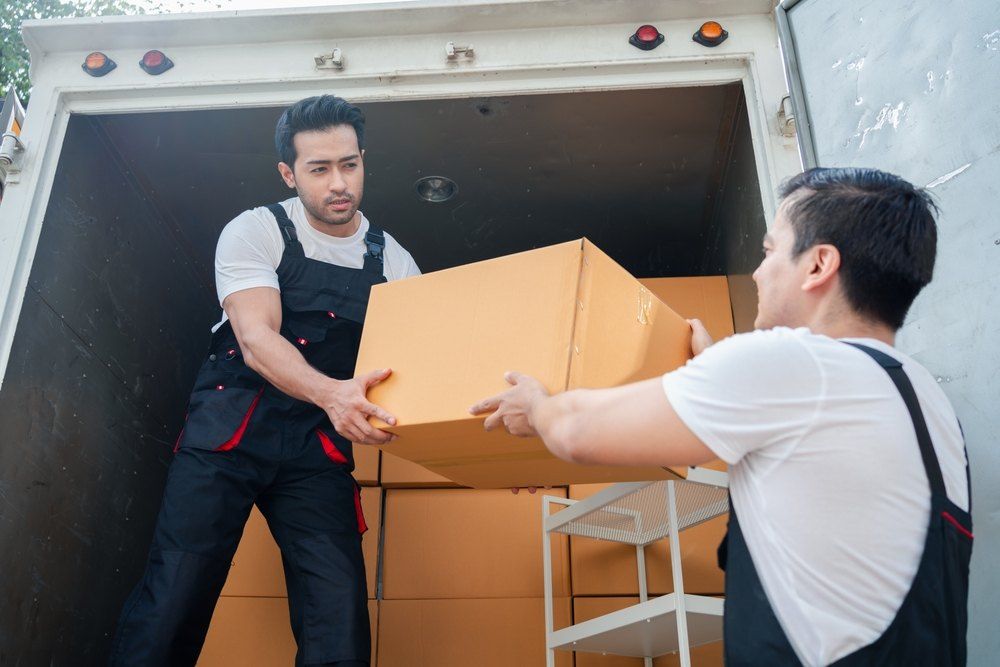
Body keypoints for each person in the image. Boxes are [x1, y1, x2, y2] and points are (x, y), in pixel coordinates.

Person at [471, 168, 972, 666]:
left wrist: (538, 408)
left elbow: (578, 433)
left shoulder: (791, 365)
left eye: (770, 251)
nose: (758, 272)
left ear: (818, 265)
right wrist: (719, 370)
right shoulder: (921, 396)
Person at [111, 95, 419, 666]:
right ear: (289, 172)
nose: (338, 183)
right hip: (229, 431)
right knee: (176, 594)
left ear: (363, 161)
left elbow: (425, 367)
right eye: (319, 169)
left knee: (339, 618)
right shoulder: (256, 230)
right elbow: (256, 339)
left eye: (349, 165)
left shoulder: (393, 262)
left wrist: (488, 451)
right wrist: (333, 393)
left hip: (315, 449)